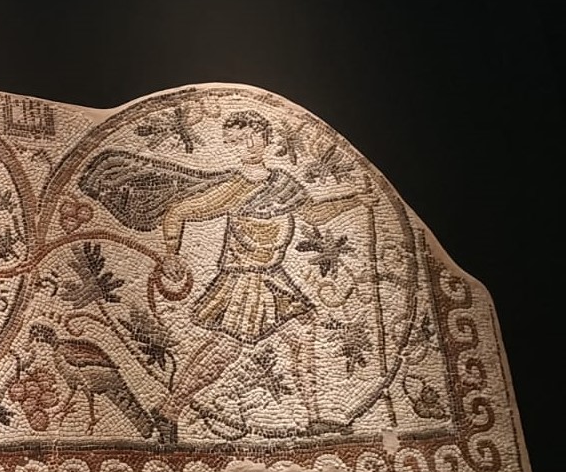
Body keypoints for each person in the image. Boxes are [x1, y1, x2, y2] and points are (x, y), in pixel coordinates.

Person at [81, 109, 371, 440]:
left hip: (272, 275)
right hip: (245, 279)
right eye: (237, 141)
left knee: (300, 333)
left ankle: (315, 417)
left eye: (252, 137)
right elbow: (179, 211)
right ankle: (169, 410)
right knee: (224, 350)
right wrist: (172, 253)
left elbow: (315, 214)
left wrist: (354, 199)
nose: (246, 145)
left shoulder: (284, 184)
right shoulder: (235, 188)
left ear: (266, 138)